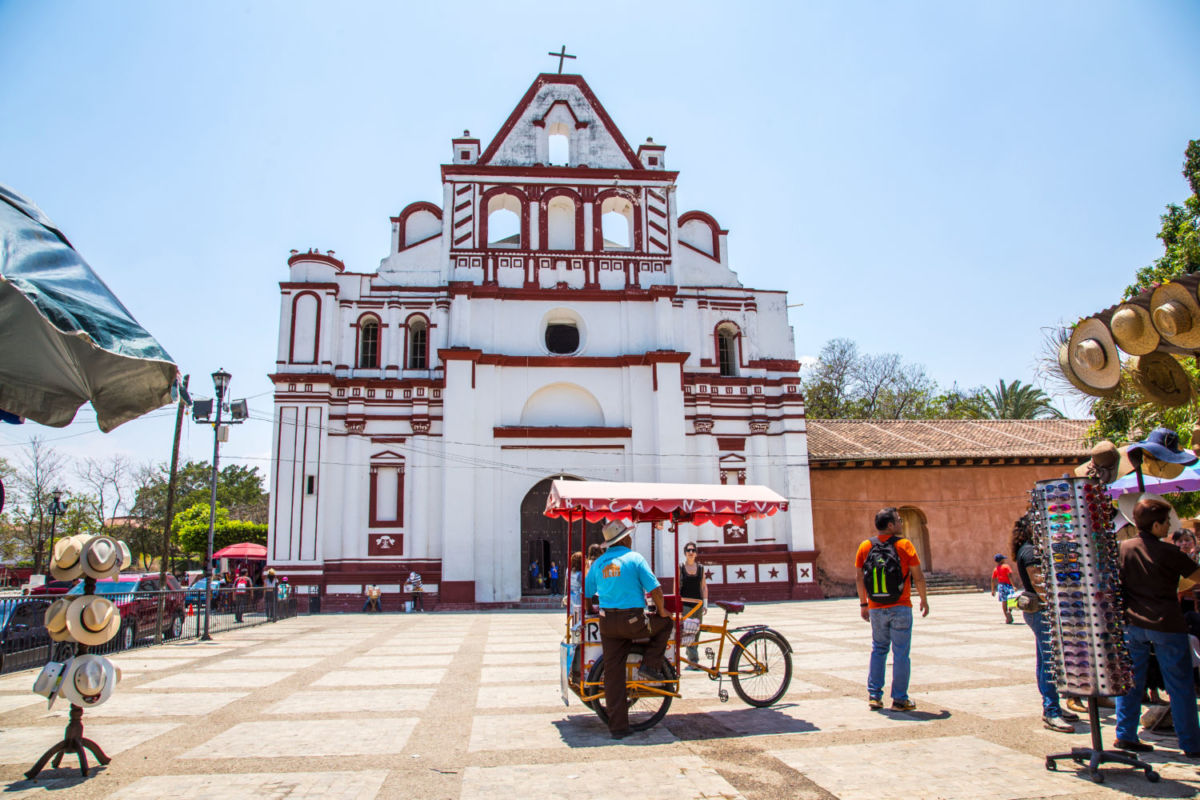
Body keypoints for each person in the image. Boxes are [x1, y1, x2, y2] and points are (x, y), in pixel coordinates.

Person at [1113, 497, 1200, 756]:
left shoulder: (1123, 548)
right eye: (1166, 522)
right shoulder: (1170, 552)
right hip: (1167, 623)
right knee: (1179, 685)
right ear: (1156, 525)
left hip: (1133, 624)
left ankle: (1125, 734)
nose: (1169, 527)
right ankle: (1191, 744)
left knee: (1131, 682)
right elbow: (1196, 576)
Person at [584, 520, 671, 740]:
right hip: (633, 622)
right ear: (623, 539)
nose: (631, 538)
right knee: (666, 624)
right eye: (628, 535)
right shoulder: (634, 558)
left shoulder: (599, 562)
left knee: (613, 675)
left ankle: (618, 728)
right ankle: (650, 665)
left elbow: (586, 593)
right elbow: (657, 591)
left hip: (607, 624)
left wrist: (590, 610)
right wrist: (662, 612)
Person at [854, 507, 929, 712]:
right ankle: (899, 699)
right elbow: (918, 576)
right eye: (898, 520)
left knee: (878, 649)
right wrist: (923, 599)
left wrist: (863, 604)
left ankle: (874, 696)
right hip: (901, 606)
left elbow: (860, 578)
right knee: (901, 653)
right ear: (890, 525)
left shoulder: (865, 546)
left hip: (876, 607)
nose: (901, 523)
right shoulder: (904, 545)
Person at [1012, 514, 1080, 732]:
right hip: (1041, 611)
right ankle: (1051, 710)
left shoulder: (1029, 549)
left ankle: (1053, 705)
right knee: (1051, 662)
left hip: (1040, 611)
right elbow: (1038, 584)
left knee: (1045, 660)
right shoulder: (1030, 551)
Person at [679, 542, 708, 668]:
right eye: (688, 550)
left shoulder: (700, 569)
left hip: (698, 604)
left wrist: (705, 604)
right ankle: (693, 660)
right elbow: (677, 587)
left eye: (693, 550)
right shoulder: (681, 568)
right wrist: (678, 605)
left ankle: (693, 657)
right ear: (685, 553)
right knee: (688, 631)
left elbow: (704, 586)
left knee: (696, 631)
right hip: (686, 605)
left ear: (696, 553)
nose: (691, 552)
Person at [990, 553, 1016, 624]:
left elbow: (993, 580)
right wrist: (1013, 586)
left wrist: (993, 590)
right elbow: (1010, 576)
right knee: (1011, 600)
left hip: (1001, 586)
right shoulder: (1006, 567)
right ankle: (1009, 611)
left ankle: (1007, 617)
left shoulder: (995, 569)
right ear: (1002, 560)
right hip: (1008, 585)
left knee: (1004, 602)